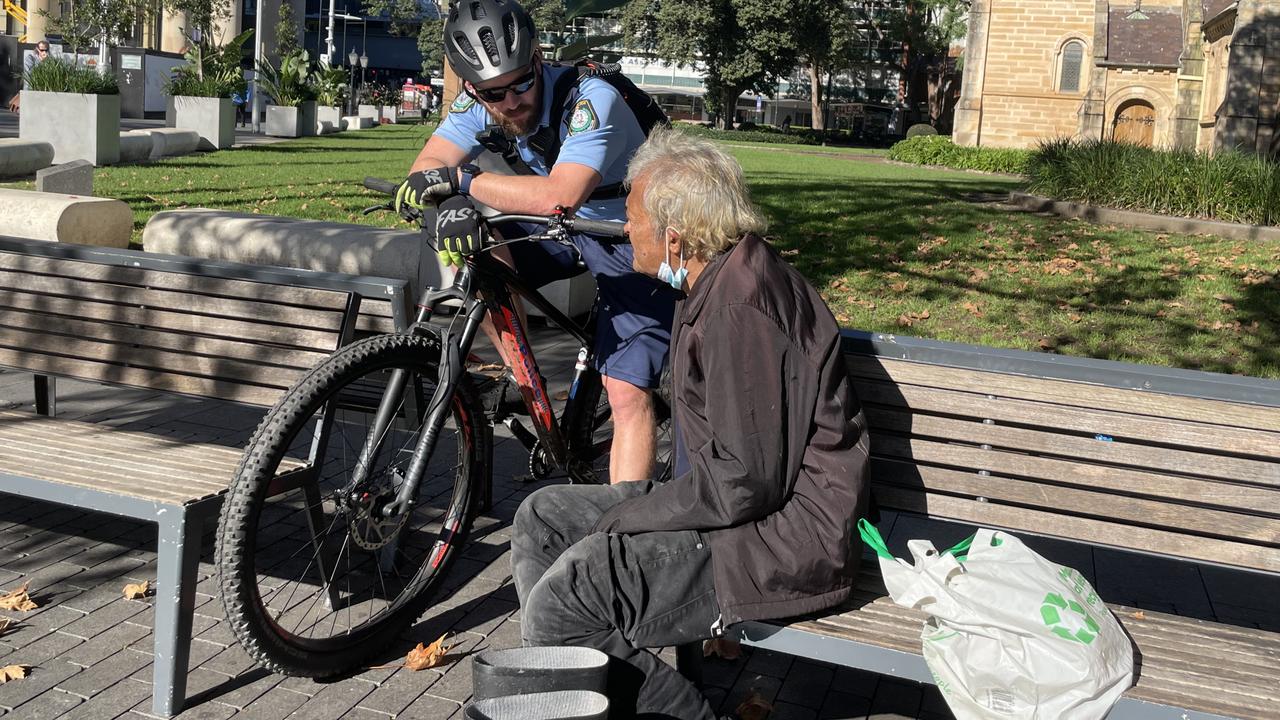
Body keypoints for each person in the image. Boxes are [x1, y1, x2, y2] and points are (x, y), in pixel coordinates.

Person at [509, 127, 872, 720]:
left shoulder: (741, 308)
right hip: (740, 512)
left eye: (632, 220)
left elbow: (745, 482)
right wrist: (632, 509)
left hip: (782, 540)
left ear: (675, 238)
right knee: (542, 519)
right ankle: (564, 694)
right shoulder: (716, 278)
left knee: (571, 598)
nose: (625, 231)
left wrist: (629, 514)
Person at [397, 0, 676, 485]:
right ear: (471, 88)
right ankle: (522, 378)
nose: (510, 102)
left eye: (522, 83)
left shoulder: (592, 99)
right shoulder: (478, 101)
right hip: (573, 230)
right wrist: (448, 205)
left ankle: (623, 535)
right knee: (479, 249)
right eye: (492, 93)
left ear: (540, 59)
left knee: (627, 393)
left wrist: (462, 184)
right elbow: (427, 166)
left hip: (637, 237)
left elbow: (559, 196)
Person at [7, 40, 50, 113]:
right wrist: (42, 61)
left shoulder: (49, 60)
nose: (44, 52)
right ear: (37, 49)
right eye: (42, 50)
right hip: (31, 89)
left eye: (46, 50)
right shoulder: (30, 58)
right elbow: (30, 73)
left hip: (42, 91)